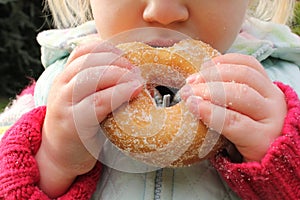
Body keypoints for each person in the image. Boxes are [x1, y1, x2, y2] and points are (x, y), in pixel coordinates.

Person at [0, 0, 299, 199]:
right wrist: (52, 161)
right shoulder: (51, 95)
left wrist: (285, 162)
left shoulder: (288, 95)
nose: (163, 11)